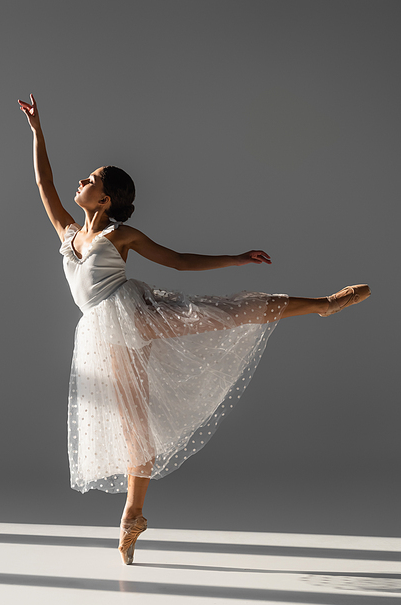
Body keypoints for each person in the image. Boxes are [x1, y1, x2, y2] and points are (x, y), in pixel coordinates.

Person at [19, 94, 370, 565]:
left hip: (132, 312)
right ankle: (133, 516)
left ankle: (324, 304)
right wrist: (38, 131)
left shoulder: (119, 236)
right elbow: (44, 182)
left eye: (92, 179)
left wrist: (236, 258)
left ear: (105, 200)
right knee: (133, 421)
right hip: (101, 332)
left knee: (231, 311)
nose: (80, 181)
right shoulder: (69, 232)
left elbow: (179, 261)